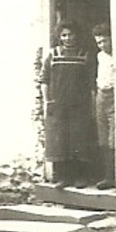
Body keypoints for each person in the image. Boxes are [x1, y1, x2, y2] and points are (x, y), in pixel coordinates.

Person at [37, 23, 96, 187]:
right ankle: (65, 177)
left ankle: (81, 177)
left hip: (79, 105)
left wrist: (92, 105)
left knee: (79, 140)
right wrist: (48, 101)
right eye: (64, 35)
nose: (67, 38)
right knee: (60, 141)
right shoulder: (53, 55)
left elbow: (91, 83)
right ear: (59, 37)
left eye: (70, 34)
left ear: (76, 35)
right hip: (59, 104)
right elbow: (45, 80)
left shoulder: (85, 55)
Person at [92, 24, 116, 189]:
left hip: (114, 96)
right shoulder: (100, 56)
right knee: (102, 135)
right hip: (101, 94)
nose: (102, 45)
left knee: (112, 137)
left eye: (105, 41)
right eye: (99, 42)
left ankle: (112, 176)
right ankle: (104, 175)